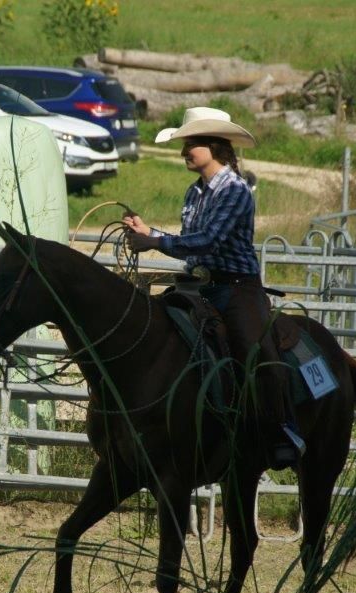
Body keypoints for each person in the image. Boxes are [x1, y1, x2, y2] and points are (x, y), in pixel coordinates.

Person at [123, 106, 303, 471]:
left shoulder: (235, 191)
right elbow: (190, 241)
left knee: (256, 350)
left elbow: (206, 241)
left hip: (238, 289)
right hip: (200, 286)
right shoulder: (195, 192)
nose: (184, 150)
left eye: (192, 143)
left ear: (214, 146)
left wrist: (153, 240)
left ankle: (281, 429)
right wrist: (150, 233)